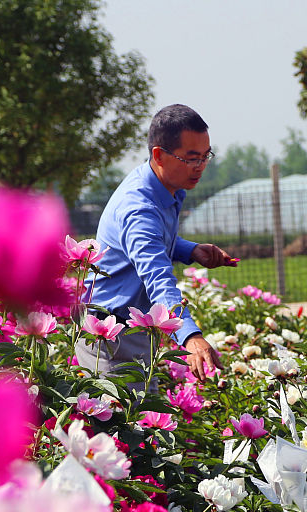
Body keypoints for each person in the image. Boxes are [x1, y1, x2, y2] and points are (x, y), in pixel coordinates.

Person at [78, 104, 235, 379]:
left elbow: (149, 242)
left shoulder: (163, 186)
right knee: (117, 420)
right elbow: (158, 280)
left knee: (142, 420)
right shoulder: (139, 208)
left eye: (205, 156)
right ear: (159, 155)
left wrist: (191, 250)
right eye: (191, 158)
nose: (201, 167)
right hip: (108, 340)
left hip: (133, 332)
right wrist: (190, 336)